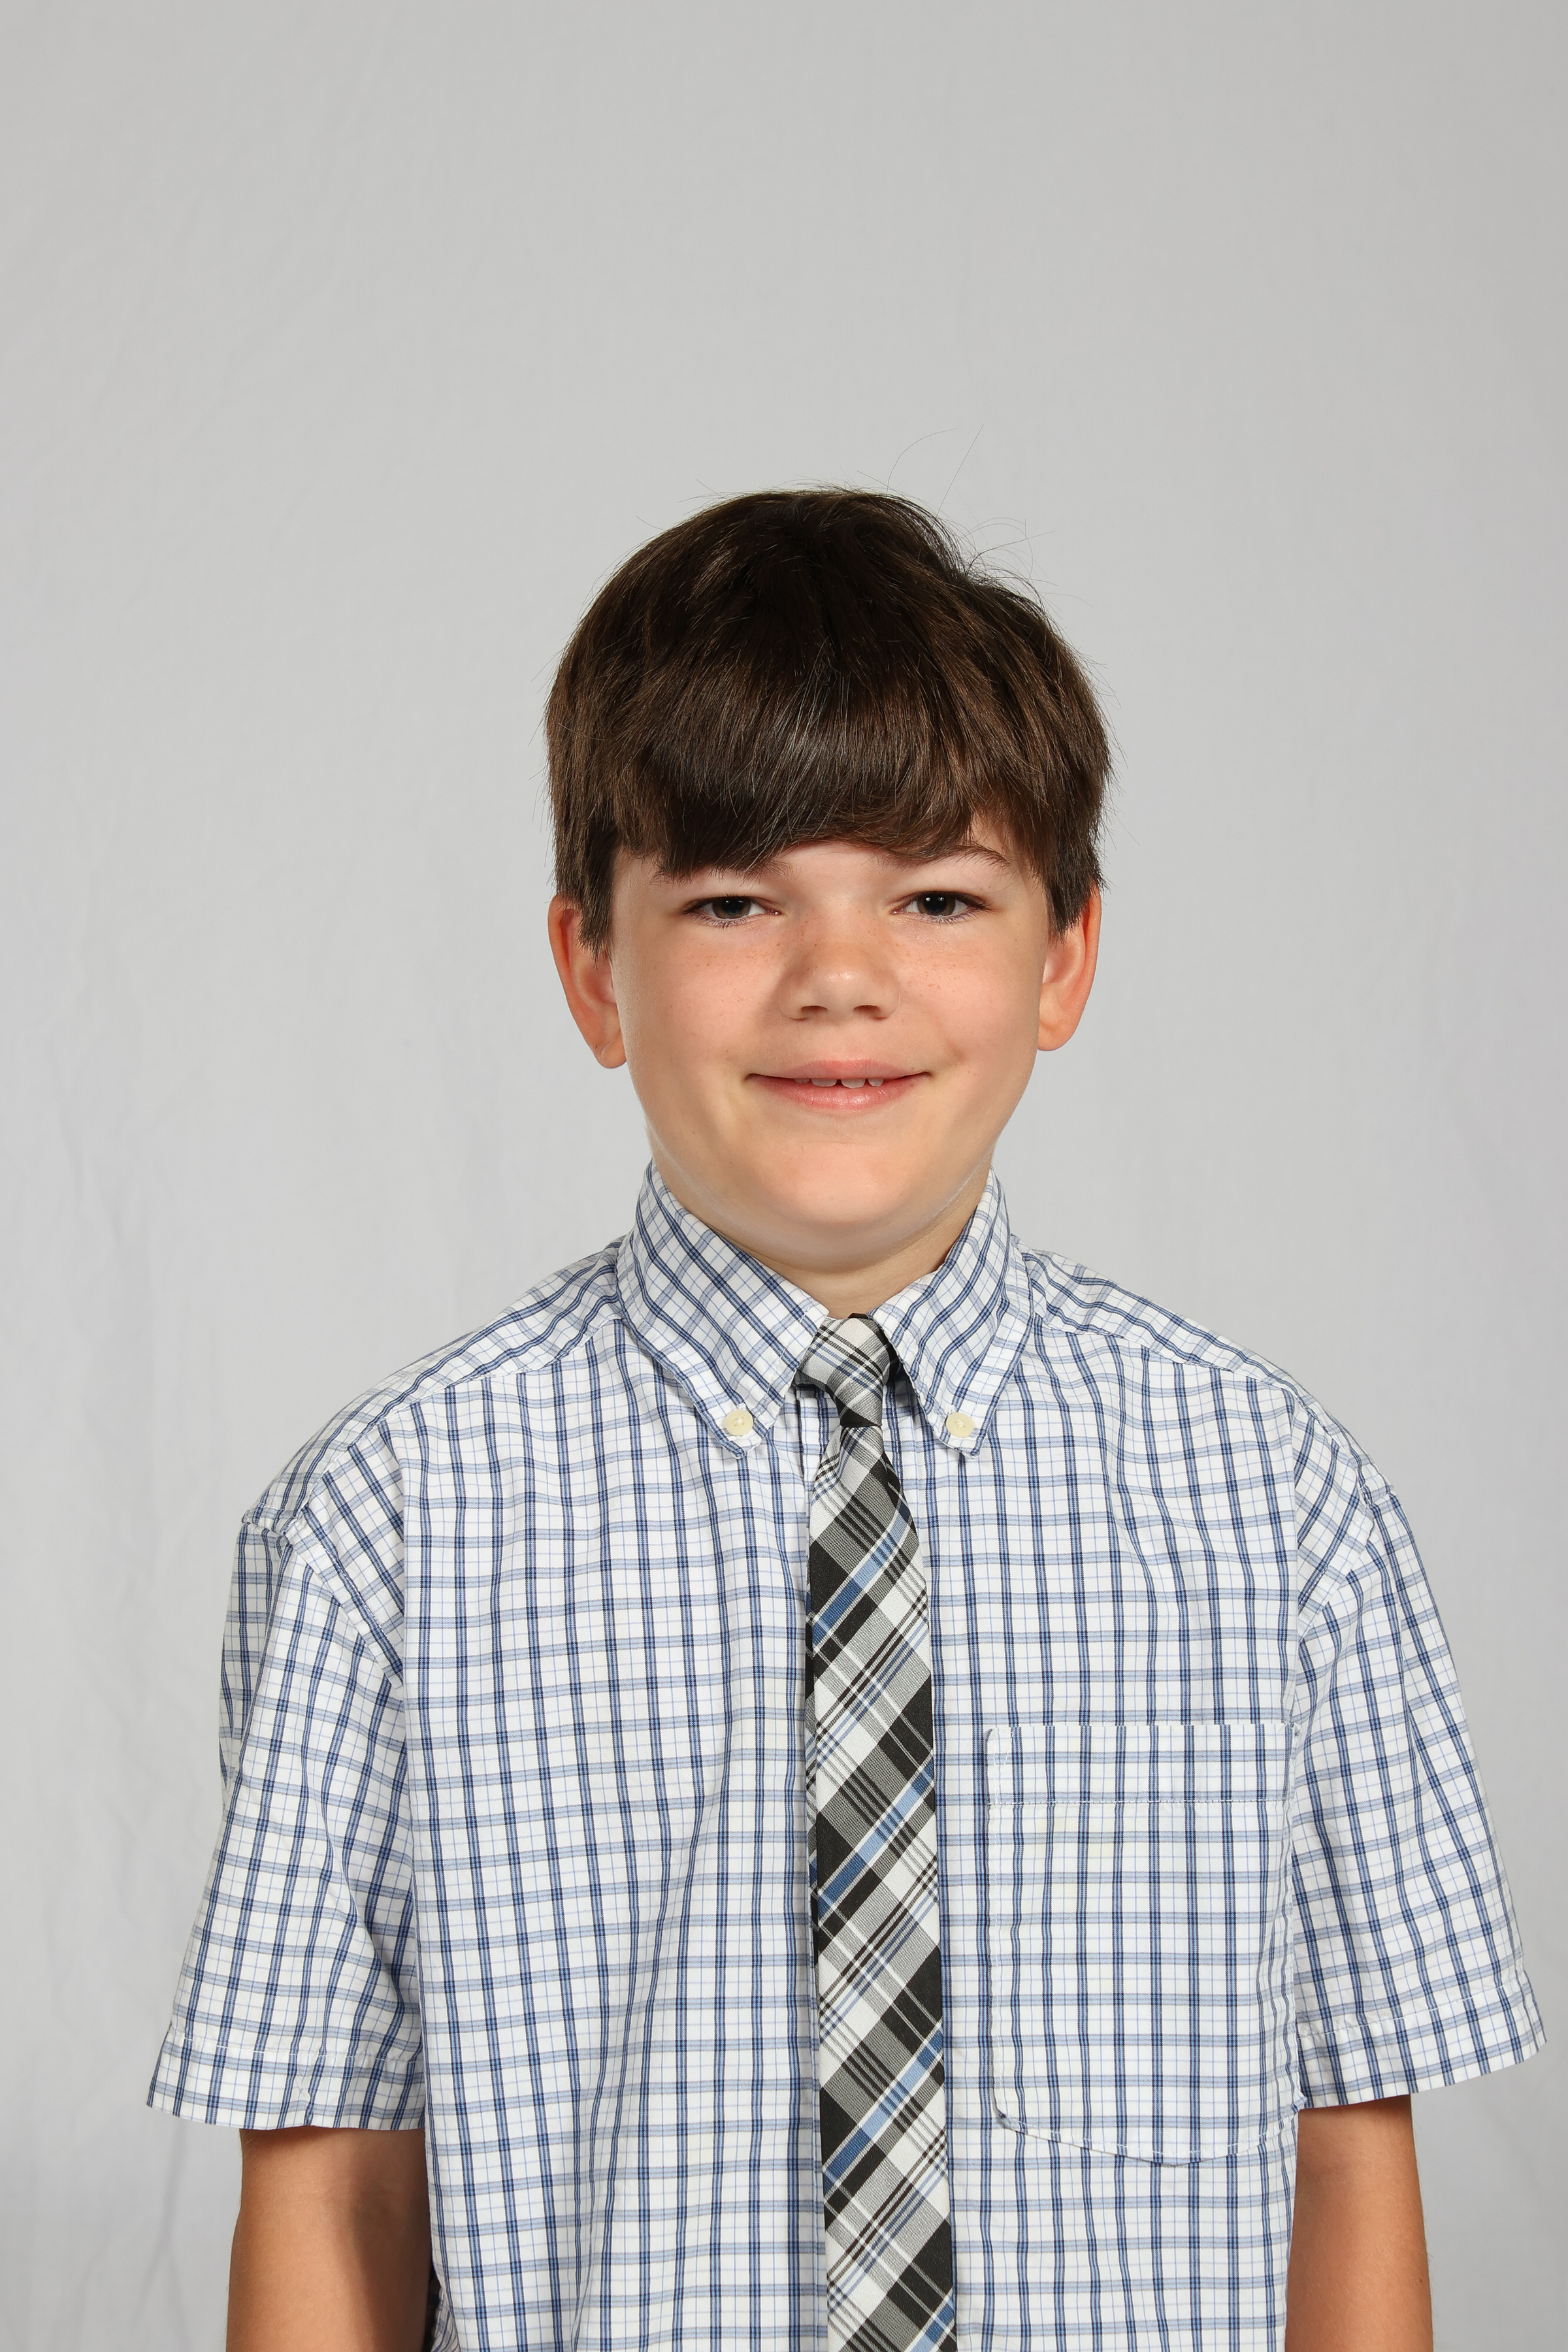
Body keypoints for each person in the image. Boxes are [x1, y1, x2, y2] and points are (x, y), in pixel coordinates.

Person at [150, 489, 1542, 2352]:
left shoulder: (1277, 1504)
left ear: (1065, 957)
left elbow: (1346, 2151)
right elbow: (335, 2185)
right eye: (735, 902)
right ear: (592, 967)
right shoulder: (389, 1524)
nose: (839, 979)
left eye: (937, 898)